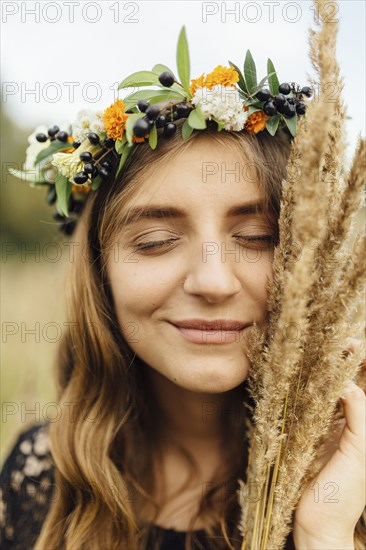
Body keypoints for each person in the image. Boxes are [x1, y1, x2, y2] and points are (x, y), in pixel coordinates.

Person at [1, 21, 365, 550]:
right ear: (100, 270)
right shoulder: (41, 480)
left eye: (258, 237)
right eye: (154, 241)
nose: (213, 282)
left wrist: (325, 533)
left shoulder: (354, 478)